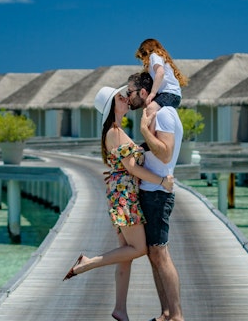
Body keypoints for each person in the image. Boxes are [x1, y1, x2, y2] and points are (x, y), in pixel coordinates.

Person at [63, 85, 174, 321]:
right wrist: (162, 180)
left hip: (121, 191)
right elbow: (132, 167)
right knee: (139, 249)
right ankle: (87, 263)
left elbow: (127, 163)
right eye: (120, 97)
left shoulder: (117, 131)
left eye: (124, 96)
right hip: (125, 195)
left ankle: (120, 310)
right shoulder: (114, 132)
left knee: (126, 255)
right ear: (112, 106)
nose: (126, 99)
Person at [126, 71, 184, 321]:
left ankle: (177, 316)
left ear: (142, 92)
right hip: (150, 191)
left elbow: (166, 153)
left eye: (129, 93)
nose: (127, 98)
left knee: (160, 253)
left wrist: (142, 130)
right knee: (154, 254)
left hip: (159, 194)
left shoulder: (164, 114)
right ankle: (166, 313)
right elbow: (154, 150)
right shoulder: (155, 114)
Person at [134, 38, 188, 133]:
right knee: (152, 111)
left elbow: (160, 72)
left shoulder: (154, 56)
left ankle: (151, 138)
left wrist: (153, 93)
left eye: (142, 57)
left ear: (146, 51)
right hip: (173, 95)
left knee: (150, 109)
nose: (143, 61)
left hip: (169, 94)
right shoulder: (161, 58)